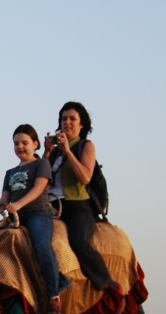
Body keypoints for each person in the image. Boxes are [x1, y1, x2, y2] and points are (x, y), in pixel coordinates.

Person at [0, 124, 72, 314]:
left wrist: (19, 204)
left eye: (25, 143)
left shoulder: (41, 164)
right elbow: (5, 199)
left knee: (42, 246)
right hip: (14, 215)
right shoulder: (10, 172)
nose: (20, 147)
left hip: (38, 213)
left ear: (35, 144)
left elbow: (39, 188)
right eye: (16, 143)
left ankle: (53, 296)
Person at [44, 102, 113, 291]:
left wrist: (67, 151)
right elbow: (42, 179)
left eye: (72, 119)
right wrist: (48, 151)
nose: (67, 122)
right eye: (64, 119)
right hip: (52, 206)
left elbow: (85, 177)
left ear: (81, 124)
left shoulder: (86, 146)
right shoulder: (56, 151)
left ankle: (108, 284)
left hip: (77, 206)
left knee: (79, 242)